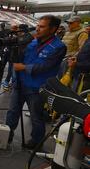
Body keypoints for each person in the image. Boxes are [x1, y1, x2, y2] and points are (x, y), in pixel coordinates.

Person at [6, 15, 67, 149]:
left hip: (37, 87)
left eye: (42, 26)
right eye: (38, 26)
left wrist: (23, 67)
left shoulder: (58, 46)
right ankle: (6, 134)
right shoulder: (32, 41)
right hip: (20, 83)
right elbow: (21, 57)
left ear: (53, 29)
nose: (38, 29)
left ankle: (36, 141)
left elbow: (45, 66)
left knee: (36, 116)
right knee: (12, 111)